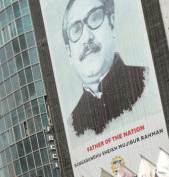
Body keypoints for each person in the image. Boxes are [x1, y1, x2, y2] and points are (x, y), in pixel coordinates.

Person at [63, 0, 147, 136]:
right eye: (76, 30)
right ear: (69, 54)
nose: (86, 37)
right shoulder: (73, 126)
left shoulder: (147, 82)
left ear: (112, 24)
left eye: (94, 18)